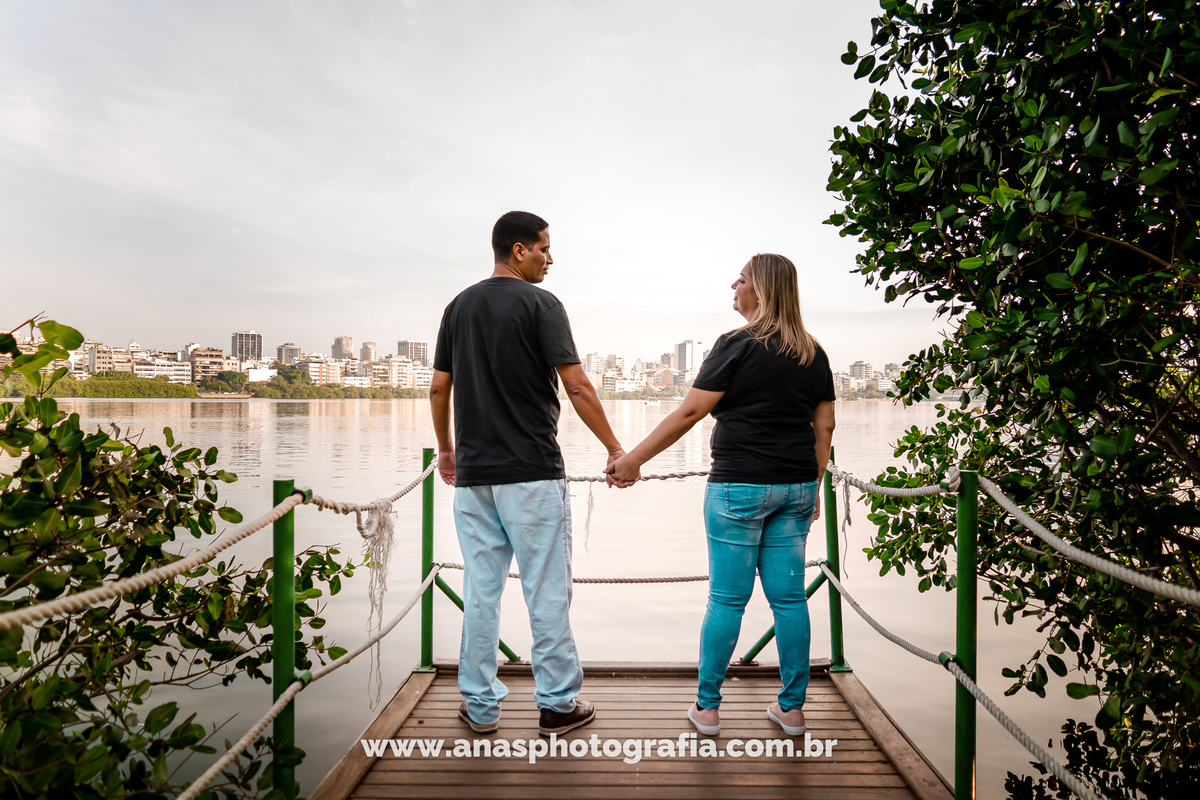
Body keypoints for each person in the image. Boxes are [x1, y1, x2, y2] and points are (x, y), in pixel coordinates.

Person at [606, 253, 836, 737]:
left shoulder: (736, 344)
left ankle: (708, 710)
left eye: (743, 278)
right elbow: (825, 425)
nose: (734, 284)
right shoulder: (814, 353)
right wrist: (813, 487)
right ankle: (792, 711)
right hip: (795, 488)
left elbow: (690, 413)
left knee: (728, 600)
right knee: (790, 600)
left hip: (739, 488)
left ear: (763, 291)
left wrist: (633, 460)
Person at [430, 210, 629, 738]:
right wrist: (614, 447)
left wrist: (446, 452)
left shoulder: (458, 306)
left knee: (480, 591)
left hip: (475, 478)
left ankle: (480, 706)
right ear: (518, 250)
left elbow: (437, 389)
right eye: (544, 248)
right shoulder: (542, 305)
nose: (550, 258)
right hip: (533, 474)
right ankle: (557, 706)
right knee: (546, 591)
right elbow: (578, 387)